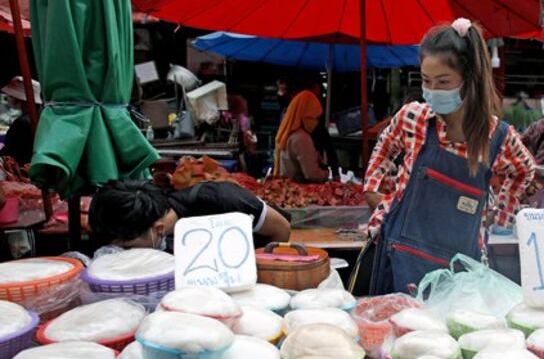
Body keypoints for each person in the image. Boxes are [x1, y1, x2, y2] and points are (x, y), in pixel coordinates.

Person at [354, 18, 535, 295]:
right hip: (398, 259)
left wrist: (500, 217)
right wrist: (372, 190)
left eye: (443, 82)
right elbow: (384, 147)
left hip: (458, 273)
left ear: (468, 80)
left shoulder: (497, 137)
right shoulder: (413, 117)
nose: (433, 90)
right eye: (426, 81)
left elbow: (524, 170)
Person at [88, 179, 291, 251]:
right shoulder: (160, 239)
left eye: (127, 247)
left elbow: (281, 229)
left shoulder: (223, 199)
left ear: (158, 229)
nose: (124, 255)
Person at [273, 86, 329, 182]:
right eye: (313, 117)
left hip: (285, 185)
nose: (315, 122)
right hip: (298, 189)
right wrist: (326, 173)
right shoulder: (301, 137)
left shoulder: (286, 131)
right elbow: (311, 174)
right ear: (305, 115)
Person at [0, 76, 42, 166]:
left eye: (11, 96)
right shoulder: (44, 116)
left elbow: (9, 154)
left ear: (19, 99)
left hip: (22, 169)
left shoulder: (22, 123)